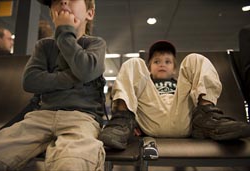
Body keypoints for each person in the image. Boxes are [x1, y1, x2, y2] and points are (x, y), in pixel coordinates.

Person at [0, 0, 106, 170]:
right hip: (40, 116)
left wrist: (65, 33)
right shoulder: (44, 46)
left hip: (81, 118)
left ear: (89, 14)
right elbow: (31, 81)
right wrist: (75, 78)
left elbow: (86, 70)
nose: (63, 1)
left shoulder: (95, 44)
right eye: (56, 1)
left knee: (73, 161)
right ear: (53, 14)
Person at [99, 40, 250, 150]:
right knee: (133, 63)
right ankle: (123, 121)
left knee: (195, 59)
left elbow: (192, 91)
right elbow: (133, 96)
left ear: (174, 69)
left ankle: (207, 118)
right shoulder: (144, 83)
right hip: (152, 119)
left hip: (184, 119)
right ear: (149, 68)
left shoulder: (182, 85)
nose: (162, 64)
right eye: (156, 61)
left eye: (167, 61)